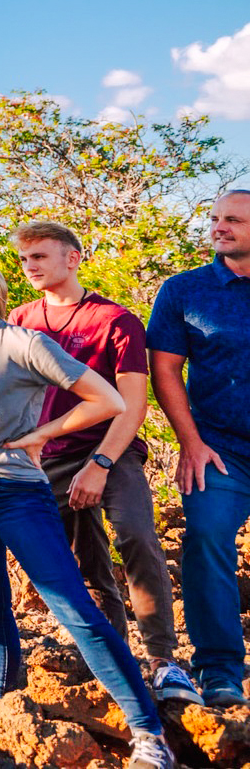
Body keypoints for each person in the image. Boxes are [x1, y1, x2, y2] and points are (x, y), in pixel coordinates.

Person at [0, 252, 176, 769]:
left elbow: (106, 400)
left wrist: (42, 434)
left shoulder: (22, 342)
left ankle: (148, 731)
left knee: (72, 605)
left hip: (15, 490)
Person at [11, 220, 202, 706]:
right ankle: (114, 660)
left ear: (72, 259)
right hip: (46, 456)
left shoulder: (115, 320)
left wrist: (99, 463)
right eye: (25, 259)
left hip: (110, 450)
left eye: (41, 257)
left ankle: (164, 661)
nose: (31, 267)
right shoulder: (20, 319)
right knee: (83, 560)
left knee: (137, 536)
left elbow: (133, 403)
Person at [149, 189, 250, 709]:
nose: (219, 227)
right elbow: (164, 369)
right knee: (207, 539)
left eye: (232, 220)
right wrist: (191, 443)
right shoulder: (184, 290)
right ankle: (221, 673)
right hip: (220, 449)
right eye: (215, 219)